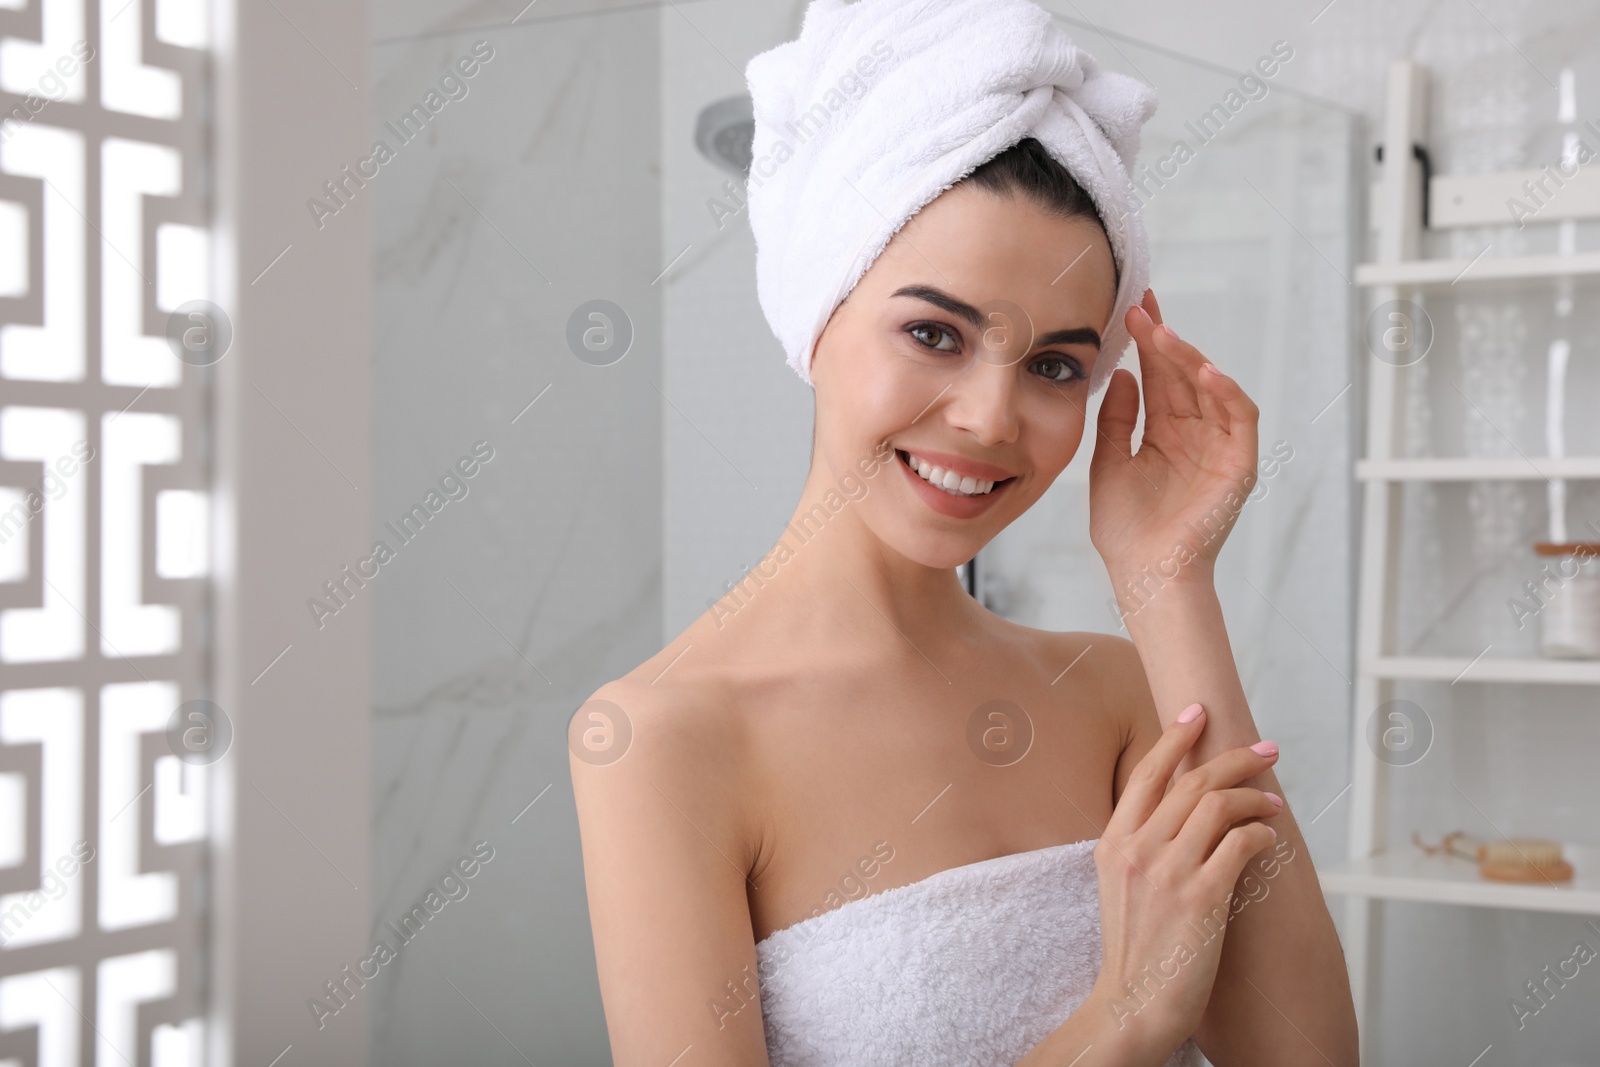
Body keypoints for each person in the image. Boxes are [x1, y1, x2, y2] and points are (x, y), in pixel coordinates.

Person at [570, 4, 1357, 1065]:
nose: (991, 418)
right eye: (933, 332)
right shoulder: (663, 738)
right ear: (818, 312)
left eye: (1055, 366)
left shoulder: (1117, 697)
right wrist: (1123, 1016)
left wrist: (1167, 577)